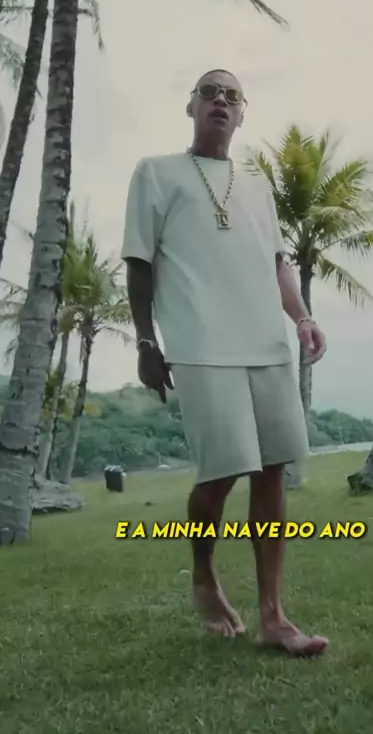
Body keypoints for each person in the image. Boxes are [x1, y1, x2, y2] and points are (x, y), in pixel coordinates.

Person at [121, 69, 328, 656]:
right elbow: (139, 262)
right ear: (190, 106)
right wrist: (145, 342)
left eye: (231, 95)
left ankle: (273, 616)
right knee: (220, 471)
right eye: (209, 92)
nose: (220, 100)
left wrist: (303, 318)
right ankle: (204, 574)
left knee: (273, 469)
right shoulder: (155, 172)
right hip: (200, 344)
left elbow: (278, 263)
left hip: (265, 342)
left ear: (242, 114)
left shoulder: (257, 185)